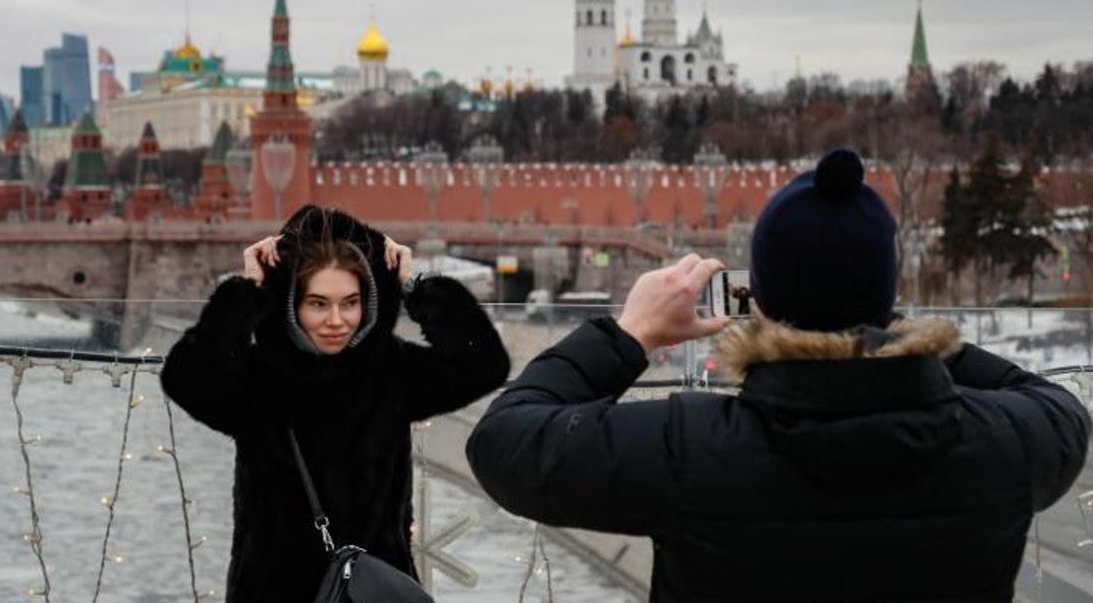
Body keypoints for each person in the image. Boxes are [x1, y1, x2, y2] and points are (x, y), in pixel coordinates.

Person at [466, 149, 1090, 602]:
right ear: (888, 296)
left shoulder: (689, 450)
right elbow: (1050, 401)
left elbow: (504, 443)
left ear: (759, 300)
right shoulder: (1008, 444)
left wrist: (631, 336)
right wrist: (906, 335)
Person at [162, 205, 510, 602]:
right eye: (318, 304)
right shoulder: (259, 378)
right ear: (292, 304)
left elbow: (484, 365)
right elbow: (186, 380)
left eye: (350, 302)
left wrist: (414, 285)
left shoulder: (391, 370)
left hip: (372, 594)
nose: (336, 320)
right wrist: (248, 291)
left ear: (369, 303)